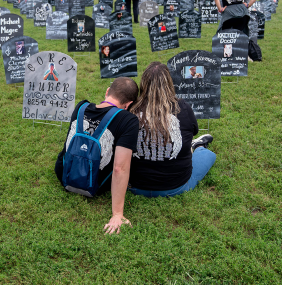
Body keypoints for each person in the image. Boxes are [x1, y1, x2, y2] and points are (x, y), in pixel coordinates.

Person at [54, 77, 140, 234]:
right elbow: (120, 168)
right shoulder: (128, 120)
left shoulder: (81, 106)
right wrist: (117, 214)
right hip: (96, 183)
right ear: (128, 105)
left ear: (107, 92)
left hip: (63, 173)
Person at [128, 62, 215, 198]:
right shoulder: (183, 107)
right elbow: (193, 131)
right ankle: (199, 146)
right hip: (176, 187)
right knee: (208, 155)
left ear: (143, 84)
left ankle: (195, 146)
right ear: (169, 82)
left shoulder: (131, 109)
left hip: (135, 186)